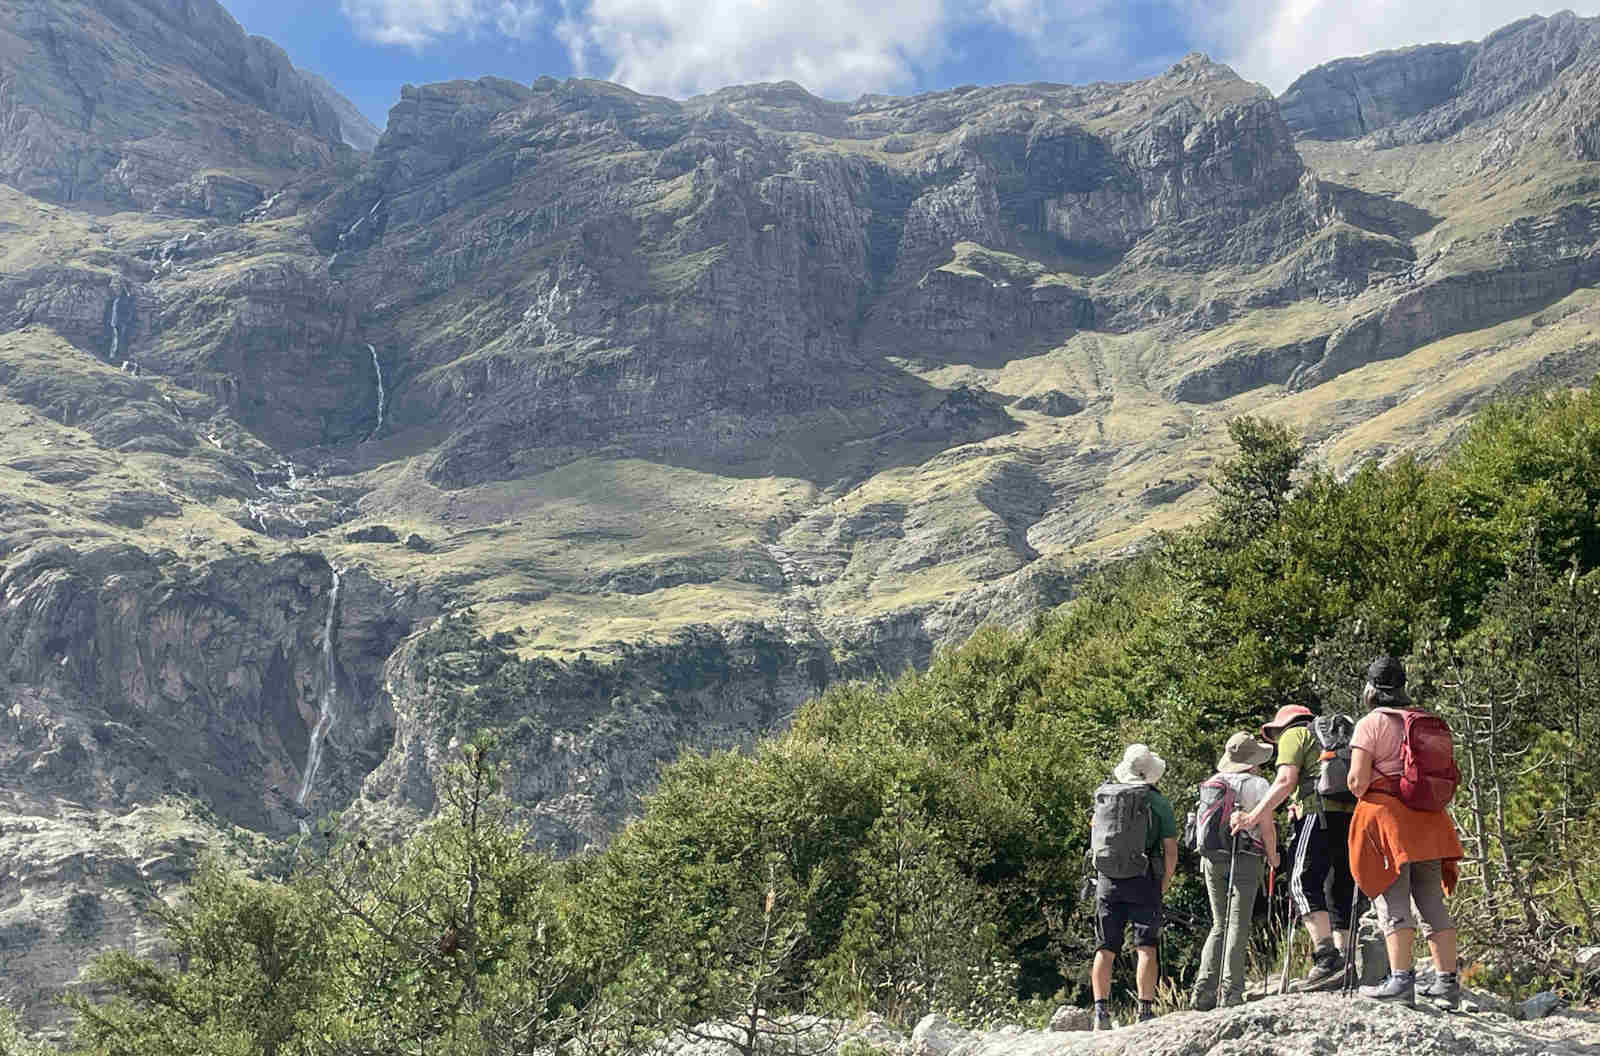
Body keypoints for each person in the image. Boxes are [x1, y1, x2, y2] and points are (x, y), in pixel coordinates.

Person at [1347, 655, 1465, 1008]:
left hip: (1389, 823)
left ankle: (1400, 983)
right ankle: (1447, 985)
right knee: (1431, 900)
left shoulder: (1371, 724)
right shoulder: (1420, 719)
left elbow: (1357, 781)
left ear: (1370, 689)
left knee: (1393, 899)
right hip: (1429, 819)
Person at [1230, 699, 1358, 991]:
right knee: (1340, 885)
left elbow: (1286, 780)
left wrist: (1254, 815)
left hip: (1317, 812)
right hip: (1349, 815)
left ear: (1282, 727)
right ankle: (1347, 958)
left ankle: (1327, 958)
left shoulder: (1293, 735)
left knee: (1301, 880)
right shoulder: (1328, 737)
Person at [1091, 744, 1178, 1031]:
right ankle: (1145, 1011)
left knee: (1105, 947)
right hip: (1143, 880)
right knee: (1146, 947)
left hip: (1108, 879)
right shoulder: (1158, 802)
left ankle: (1100, 1013)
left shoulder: (1107, 797)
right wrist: (1164, 883)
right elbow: (1170, 850)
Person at [1192, 732, 1280, 1011]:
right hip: (1244, 857)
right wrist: (1273, 856)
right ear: (1253, 761)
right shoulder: (1258, 784)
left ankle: (1203, 991)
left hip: (1212, 858)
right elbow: (1266, 826)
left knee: (1219, 924)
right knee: (1238, 924)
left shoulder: (1211, 783)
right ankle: (1231, 992)